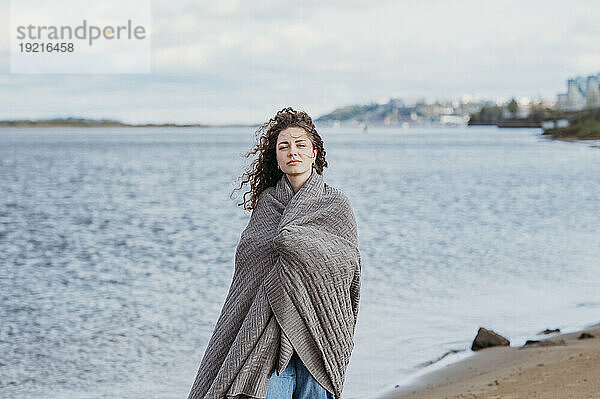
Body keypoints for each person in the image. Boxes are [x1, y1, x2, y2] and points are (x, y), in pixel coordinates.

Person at [187, 107, 361, 399]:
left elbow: (346, 268)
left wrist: (295, 242)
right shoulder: (267, 205)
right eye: (284, 146)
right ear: (277, 159)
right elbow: (248, 264)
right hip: (266, 332)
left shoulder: (336, 204)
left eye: (300, 145)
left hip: (317, 332)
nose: (293, 151)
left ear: (314, 154)